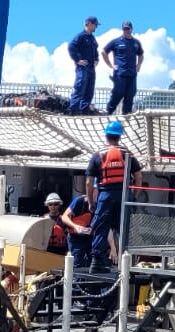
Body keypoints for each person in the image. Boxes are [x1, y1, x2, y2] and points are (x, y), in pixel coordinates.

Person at [84, 121, 136, 274]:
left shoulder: (98, 155)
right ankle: (125, 262)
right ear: (119, 136)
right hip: (123, 195)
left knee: (101, 227)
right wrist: (132, 196)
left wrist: (91, 202)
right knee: (123, 227)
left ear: (106, 136)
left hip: (105, 195)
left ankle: (97, 262)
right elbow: (139, 176)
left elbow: (88, 182)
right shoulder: (127, 154)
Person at [103, 21, 144, 115]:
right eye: (125, 29)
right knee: (118, 92)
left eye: (128, 28)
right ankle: (108, 111)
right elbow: (104, 52)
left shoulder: (136, 43)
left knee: (131, 93)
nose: (127, 30)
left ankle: (127, 114)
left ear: (131, 29)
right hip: (120, 73)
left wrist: (139, 65)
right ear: (122, 29)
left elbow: (141, 55)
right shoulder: (116, 41)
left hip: (132, 73)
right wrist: (110, 65)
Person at [69, 16, 101, 114]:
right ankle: (73, 110)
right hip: (83, 68)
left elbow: (95, 52)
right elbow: (71, 47)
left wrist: (96, 59)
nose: (96, 27)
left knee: (89, 91)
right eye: (95, 25)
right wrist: (78, 60)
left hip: (91, 68)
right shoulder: (81, 36)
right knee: (80, 89)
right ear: (90, 24)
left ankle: (84, 111)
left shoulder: (92, 38)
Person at [60, 193, 96, 269]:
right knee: (77, 263)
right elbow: (64, 217)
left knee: (93, 262)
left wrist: (113, 248)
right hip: (75, 237)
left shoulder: (99, 204)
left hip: (90, 237)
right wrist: (75, 226)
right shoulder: (80, 201)